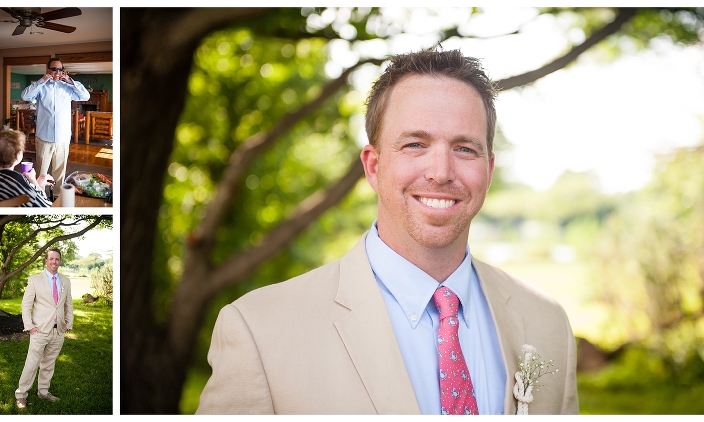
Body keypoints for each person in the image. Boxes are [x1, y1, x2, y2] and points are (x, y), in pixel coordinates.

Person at [196, 49, 578, 415]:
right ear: (374, 167)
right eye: (415, 144)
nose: (441, 172)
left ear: (489, 170)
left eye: (464, 149)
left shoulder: (547, 323)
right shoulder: (259, 331)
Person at [15, 248, 74, 409]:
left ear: (60, 261)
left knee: (49, 364)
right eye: (51, 259)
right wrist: (29, 327)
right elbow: (26, 305)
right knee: (31, 364)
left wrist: (69, 323)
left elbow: (68, 304)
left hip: (58, 330)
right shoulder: (35, 280)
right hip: (39, 330)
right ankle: (21, 395)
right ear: (46, 260)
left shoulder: (66, 281)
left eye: (57, 259)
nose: (54, 261)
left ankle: (43, 392)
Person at [21, 56, 90, 188]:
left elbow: (86, 96)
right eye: (54, 69)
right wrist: (42, 80)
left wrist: (70, 81)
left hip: (63, 137)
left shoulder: (68, 87)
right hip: (43, 137)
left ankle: (57, 196)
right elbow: (25, 96)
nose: (57, 72)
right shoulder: (41, 87)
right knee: (41, 173)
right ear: (48, 70)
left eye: (60, 69)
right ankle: (39, 195)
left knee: (59, 172)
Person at [0, 130, 54, 207]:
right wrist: (34, 181)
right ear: (17, 156)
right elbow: (48, 206)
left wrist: (34, 184)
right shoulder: (17, 181)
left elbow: (9, 189)